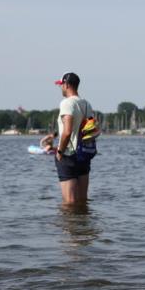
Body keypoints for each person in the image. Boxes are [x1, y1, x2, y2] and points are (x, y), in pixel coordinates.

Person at [54, 72, 94, 204]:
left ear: (66, 85)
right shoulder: (86, 104)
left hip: (68, 154)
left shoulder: (66, 103)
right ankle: (83, 224)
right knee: (82, 199)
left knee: (69, 202)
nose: (60, 88)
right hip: (84, 154)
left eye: (61, 85)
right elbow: (92, 129)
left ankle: (70, 225)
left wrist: (60, 151)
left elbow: (67, 131)